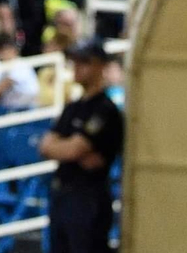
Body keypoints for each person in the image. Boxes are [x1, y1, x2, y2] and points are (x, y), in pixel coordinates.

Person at [40, 41, 124, 253]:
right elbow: (46, 146)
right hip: (63, 193)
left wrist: (67, 149)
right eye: (75, 61)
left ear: (100, 67)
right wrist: (70, 149)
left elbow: (73, 150)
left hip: (88, 197)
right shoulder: (73, 107)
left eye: (85, 62)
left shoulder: (105, 110)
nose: (77, 67)